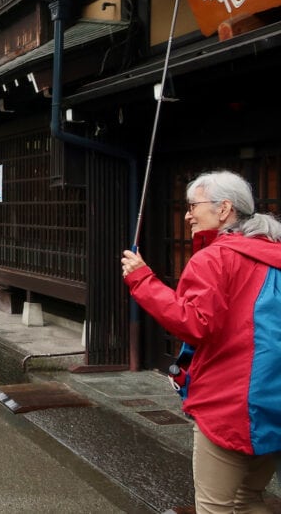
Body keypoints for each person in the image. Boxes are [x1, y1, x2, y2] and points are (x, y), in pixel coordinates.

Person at [121, 170, 281, 513]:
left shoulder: (213, 258)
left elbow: (194, 324)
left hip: (230, 402)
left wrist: (141, 280)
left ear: (224, 210)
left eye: (194, 206)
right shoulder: (274, 256)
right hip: (274, 398)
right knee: (250, 498)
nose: (189, 214)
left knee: (213, 505)